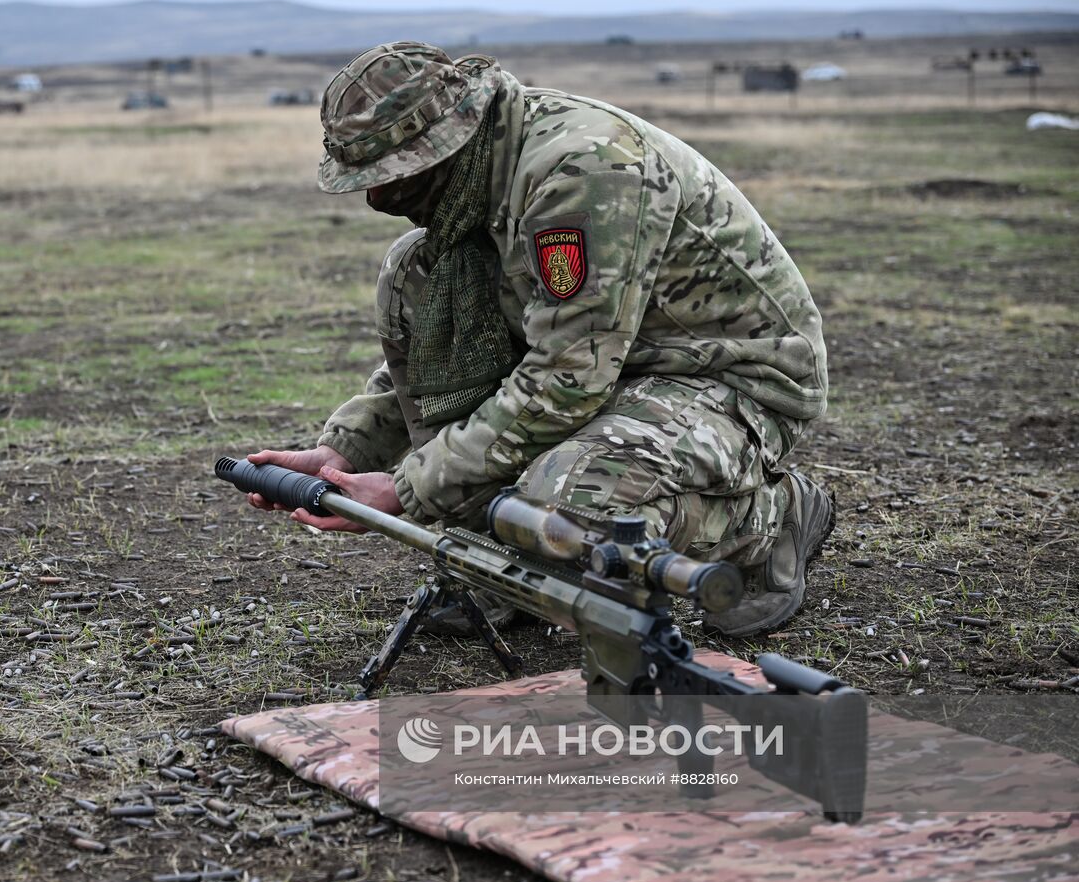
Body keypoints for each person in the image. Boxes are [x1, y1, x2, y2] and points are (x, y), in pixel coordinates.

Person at [247, 42, 832, 637]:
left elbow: (565, 379)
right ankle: (510, 566)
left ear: (450, 143)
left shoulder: (583, 171)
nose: (379, 199)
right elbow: (439, 361)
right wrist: (350, 453)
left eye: (394, 177)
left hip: (727, 379)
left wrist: (408, 487)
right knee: (413, 271)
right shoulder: (479, 186)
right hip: (615, 371)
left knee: (570, 502)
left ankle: (768, 522)